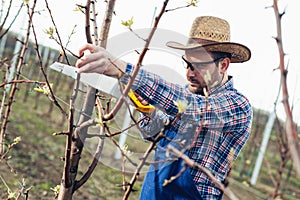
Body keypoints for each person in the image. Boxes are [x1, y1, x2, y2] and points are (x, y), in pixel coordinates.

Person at [76, 16, 253, 199]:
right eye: (188, 64)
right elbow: (156, 133)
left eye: (199, 65)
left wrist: (123, 70)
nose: (190, 73)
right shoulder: (186, 94)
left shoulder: (237, 106)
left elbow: (195, 110)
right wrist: (149, 111)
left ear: (223, 65)